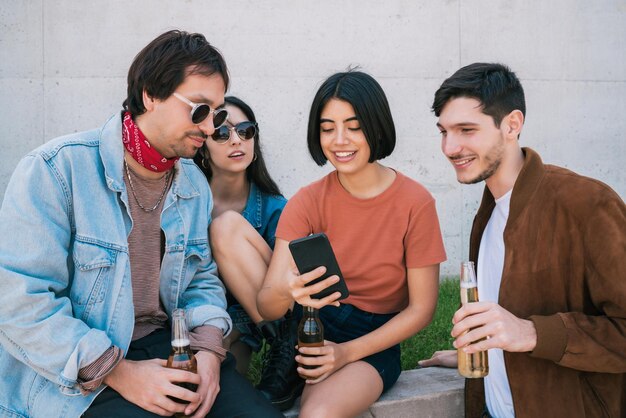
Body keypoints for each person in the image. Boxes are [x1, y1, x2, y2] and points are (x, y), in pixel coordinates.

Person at [0, 30, 281, 418]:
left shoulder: (194, 185)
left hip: (173, 349)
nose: (209, 127)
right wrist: (119, 372)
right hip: (77, 373)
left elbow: (200, 282)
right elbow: (19, 302)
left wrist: (211, 352)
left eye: (216, 114)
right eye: (199, 109)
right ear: (151, 94)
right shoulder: (56, 170)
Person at [419, 63, 626, 418]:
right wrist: (482, 352)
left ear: (512, 125)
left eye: (466, 130)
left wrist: (531, 333)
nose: (450, 148)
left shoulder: (588, 203)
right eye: (444, 132)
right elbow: (505, 319)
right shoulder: (486, 216)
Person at [255, 70, 447, 417]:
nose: (339, 140)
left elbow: (422, 310)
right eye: (328, 128)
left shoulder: (415, 203)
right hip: (311, 321)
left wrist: (345, 353)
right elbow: (268, 305)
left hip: (374, 337)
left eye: (353, 126)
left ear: (376, 125)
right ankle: (290, 358)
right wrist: (288, 290)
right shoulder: (307, 200)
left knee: (318, 414)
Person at [193, 96, 299, 409]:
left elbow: (286, 289)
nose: (236, 140)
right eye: (222, 133)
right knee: (205, 394)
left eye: (245, 131)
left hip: (264, 321)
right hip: (208, 319)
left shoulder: (276, 209)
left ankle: (290, 351)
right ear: (203, 146)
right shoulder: (186, 201)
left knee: (226, 226)